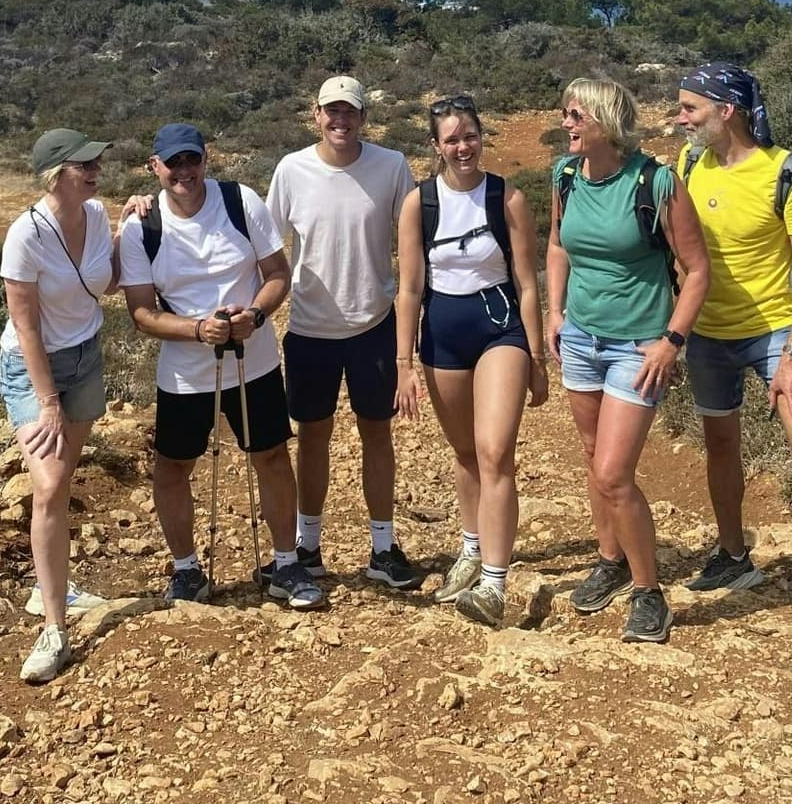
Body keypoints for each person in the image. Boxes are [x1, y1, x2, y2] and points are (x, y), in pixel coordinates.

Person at [673, 64, 792, 643]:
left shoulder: (786, 173)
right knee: (721, 444)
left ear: (726, 111)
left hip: (775, 331)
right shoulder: (686, 166)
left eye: (690, 108)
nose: (680, 119)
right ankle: (733, 556)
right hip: (706, 332)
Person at [120, 123, 323, 610]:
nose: (184, 171)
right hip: (184, 374)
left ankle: (285, 562)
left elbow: (277, 273)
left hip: (252, 362)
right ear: (155, 167)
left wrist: (253, 315)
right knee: (173, 467)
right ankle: (187, 571)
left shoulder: (239, 202)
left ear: (205, 159)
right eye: (174, 163)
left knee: (271, 456)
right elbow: (142, 313)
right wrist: (196, 329)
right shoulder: (140, 228)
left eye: (192, 160)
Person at [546, 77, 710, 644]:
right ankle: (610, 559)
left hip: (636, 348)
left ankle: (649, 591)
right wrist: (555, 311)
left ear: (604, 122)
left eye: (575, 115)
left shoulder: (656, 182)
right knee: (595, 459)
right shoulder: (565, 176)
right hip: (582, 340)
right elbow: (558, 245)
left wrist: (672, 340)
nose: (566, 123)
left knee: (614, 472)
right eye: (566, 113)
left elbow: (697, 270)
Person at [267, 76, 425, 590]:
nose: (341, 121)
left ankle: (383, 548)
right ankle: (307, 547)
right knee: (313, 437)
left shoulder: (391, 166)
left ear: (362, 117)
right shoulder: (292, 169)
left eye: (350, 112)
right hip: (310, 329)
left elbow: (415, 241)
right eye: (331, 112)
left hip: (373, 326)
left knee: (375, 434)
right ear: (315, 114)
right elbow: (263, 243)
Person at [394, 94, 546, 627]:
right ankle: (470, 547)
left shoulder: (507, 199)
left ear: (482, 137)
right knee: (464, 452)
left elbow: (528, 284)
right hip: (442, 336)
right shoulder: (420, 203)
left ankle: (494, 584)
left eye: (470, 136)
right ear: (436, 147)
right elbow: (409, 288)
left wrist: (537, 356)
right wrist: (403, 363)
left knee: (494, 449)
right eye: (452, 139)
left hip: (499, 329)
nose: (463, 147)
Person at [0, 128, 118, 683]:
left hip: (84, 358)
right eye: (83, 163)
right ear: (55, 173)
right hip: (34, 368)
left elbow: (107, 282)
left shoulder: (96, 216)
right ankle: (54, 626)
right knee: (46, 486)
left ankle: (54, 586)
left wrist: (134, 220)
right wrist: (46, 402)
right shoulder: (25, 235)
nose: (95, 169)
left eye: (96, 161)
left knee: (63, 479)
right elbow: (25, 326)